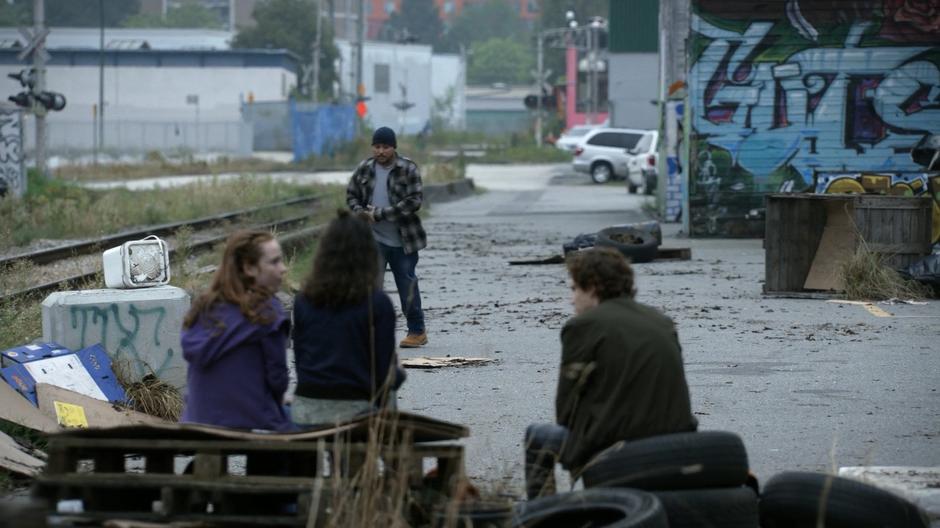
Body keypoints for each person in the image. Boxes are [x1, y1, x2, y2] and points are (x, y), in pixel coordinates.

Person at [524, 247, 698, 499]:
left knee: (537, 436)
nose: (571, 299)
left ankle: (540, 515)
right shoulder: (661, 320)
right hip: (677, 446)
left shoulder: (582, 326)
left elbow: (566, 410)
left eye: (574, 289)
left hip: (617, 451)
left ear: (592, 287)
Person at [291, 209, 407, 426]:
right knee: (387, 391)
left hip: (308, 409)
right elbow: (383, 376)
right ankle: (383, 456)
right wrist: (399, 373)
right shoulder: (378, 303)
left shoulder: (303, 301)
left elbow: (302, 362)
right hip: (358, 411)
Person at [180, 229, 292, 433]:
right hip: (247, 419)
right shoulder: (266, 310)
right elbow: (278, 380)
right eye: (274, 262)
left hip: (197, 418)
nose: (283, 269)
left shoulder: (205, 306)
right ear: (249, 267)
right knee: (301, 426)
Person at [346, 126, 428, 348]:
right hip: (373, 239)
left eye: (385, 147)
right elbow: (351, 196)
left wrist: (381, 214)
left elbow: (414, 201)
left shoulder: (408, 169)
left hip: (404, 239)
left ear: (394, 148)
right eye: (377, 146)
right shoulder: (364, 169)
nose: (380, 151)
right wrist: (359, 213)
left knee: (407, 283)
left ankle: (417, 331)